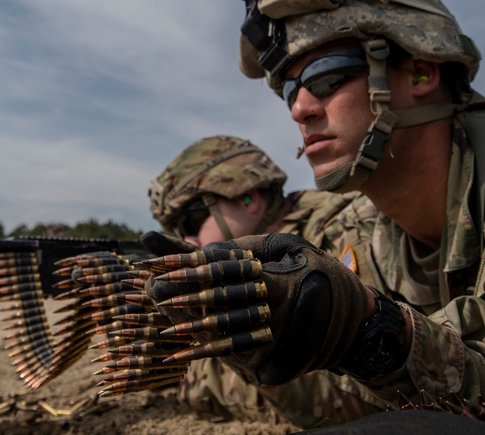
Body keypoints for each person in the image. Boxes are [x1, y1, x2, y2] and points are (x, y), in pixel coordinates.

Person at [146, 0, 485, 429]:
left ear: (420, 71)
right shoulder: (369, 228)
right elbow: (348, 400)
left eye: (325, 77)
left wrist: (372, 330)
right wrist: (270, 346)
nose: (299, 109)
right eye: (290, 90)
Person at [147, 134, 383, 425]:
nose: (188, 239)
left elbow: (369, 396)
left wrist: (203, 374)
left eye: (191, 221)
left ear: (248, 198)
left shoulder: (342, 230)